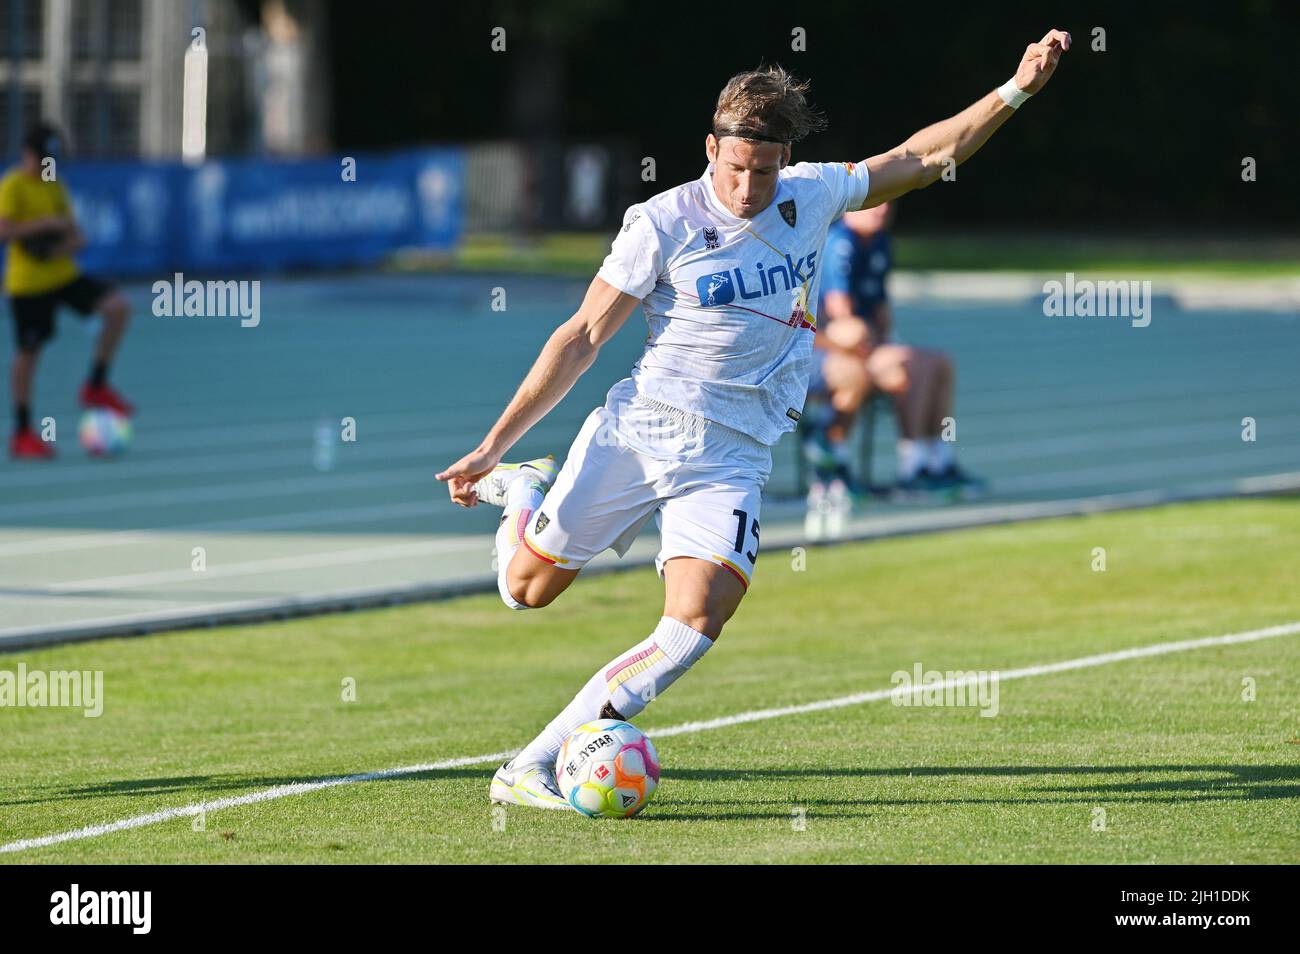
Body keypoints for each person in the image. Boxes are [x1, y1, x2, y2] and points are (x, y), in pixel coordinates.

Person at [436, 30, 1071, 809]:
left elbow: (921, 156)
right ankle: (527, 492)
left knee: (694, 622)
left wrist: (1016, 91)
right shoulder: (661, 223)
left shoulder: (809, 194)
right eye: (735, 169)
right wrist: (494, 446)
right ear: (710, 148)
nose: (747, 189)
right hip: (644, 432)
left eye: (763, 171)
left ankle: (528, 765)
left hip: (734, 453)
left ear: (784, 160)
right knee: (526, 590)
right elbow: (581, 336)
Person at [812, 201, 986, 495]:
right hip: (836, 348)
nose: (881, 210)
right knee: (909, 366)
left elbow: (880, 305)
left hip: (868, 344)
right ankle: (912, 467)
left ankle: (938, 461)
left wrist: (887, 339)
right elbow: (842, 316)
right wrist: (876, 346)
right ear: (851, 208)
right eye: (873, 204)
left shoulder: (879, 242)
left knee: (941, 362)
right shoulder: (840, 243)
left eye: (887, 203)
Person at [1, 122, 134, 460]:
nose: (48, 165)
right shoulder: (12, 186)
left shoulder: (53, 186)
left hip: (62, 275)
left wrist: (58, 247)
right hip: (27, 284)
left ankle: (96, 384)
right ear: (27, 154)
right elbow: (4, 231)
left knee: (118, 308)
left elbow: (77, 237)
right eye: (43, 158)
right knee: (29, 354)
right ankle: (22, 432)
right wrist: (45, 225)